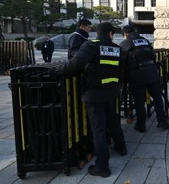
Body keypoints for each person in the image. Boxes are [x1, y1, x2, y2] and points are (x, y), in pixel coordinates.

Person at [50, 22, 126, 178]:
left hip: (94, 93)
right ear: (110, 34)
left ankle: (102, 166)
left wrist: (56, 72)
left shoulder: (91, 45)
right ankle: (121, 147)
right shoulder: (118, 49)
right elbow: (123, 69)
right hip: (111, 92)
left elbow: (75, 63)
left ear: (97, 33)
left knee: (98, 129)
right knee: (113, 121)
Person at [119, 25, 169, 133]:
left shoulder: (126, 43)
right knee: (157, 98)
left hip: (137, 75)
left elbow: (122, 61)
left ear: (125, 34)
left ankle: (141, 125)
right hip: (152, 72)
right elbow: (153, 56)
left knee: (139, 101)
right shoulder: (145, 41)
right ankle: (162, 121)